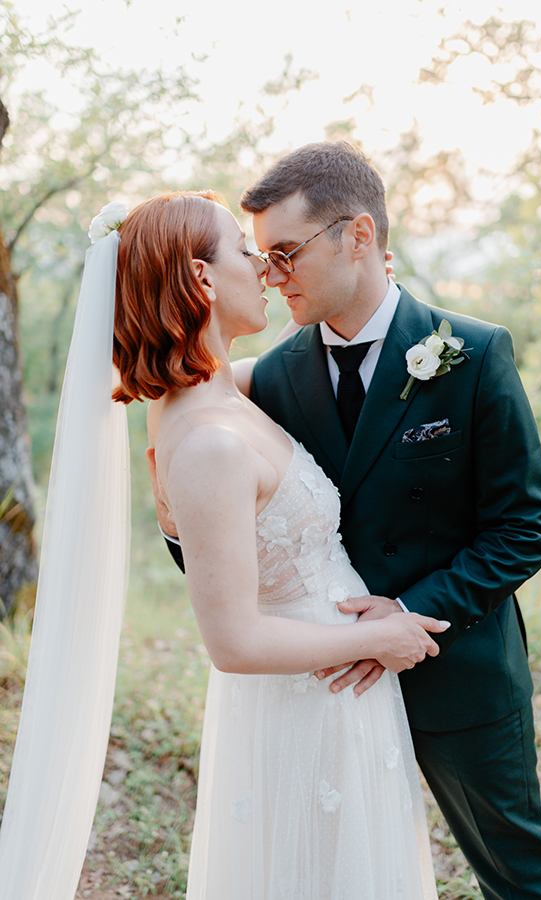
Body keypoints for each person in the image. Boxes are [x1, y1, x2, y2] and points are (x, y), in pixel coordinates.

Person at [158, 143, 541, 900]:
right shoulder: (270, 379)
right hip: (325, 690)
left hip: (459, 670)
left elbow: (526, 525)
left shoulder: (473, 353)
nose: (271, 274)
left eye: (286, 253)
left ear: (358, 236)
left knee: (521, 871)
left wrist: (411, 614)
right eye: (260, 256)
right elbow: (223, 513)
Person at [0, 190, 447, 900]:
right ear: (203, 279)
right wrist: (379, 638)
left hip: (332, 697)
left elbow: (322, 376)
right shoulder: (208, 442)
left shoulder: (222, 393)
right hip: (308, 705)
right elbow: (232, 641)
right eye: (246, 251)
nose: (266, 270)